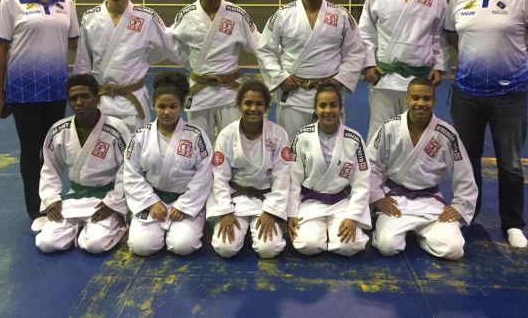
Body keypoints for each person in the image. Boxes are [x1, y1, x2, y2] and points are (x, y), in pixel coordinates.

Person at [445, 0, 528, 248]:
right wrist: (476, 62)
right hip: (467, 94)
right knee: (467, 160)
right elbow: (453, 37)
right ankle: (468, 213)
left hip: (510, 96)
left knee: (510, 162)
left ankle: (513, 223)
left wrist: (516, 66)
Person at [0, 0, 79, 232]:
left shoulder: (66, 2)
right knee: (31, 151)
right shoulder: (11, 1)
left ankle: (53, 200)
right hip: (24, 92)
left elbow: (76, 44)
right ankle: (36, 208)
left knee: (53, 150)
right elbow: (0, 49)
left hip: (56, 91)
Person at [367, 78, 478, 260]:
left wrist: (460, 205)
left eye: (426, 98)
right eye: (415, 98)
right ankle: (411, 231)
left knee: (454, 249)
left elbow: (463, 171)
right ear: (407, 99)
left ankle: (422, 237)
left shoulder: (446, 133)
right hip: (396, 200)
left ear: (434, 101)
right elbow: (372, 164)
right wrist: (377, 197)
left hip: (430, 202)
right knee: (387, 246)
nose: (421, 103)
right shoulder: (390, 127)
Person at [257, 0, 364, 140]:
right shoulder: (283, 15)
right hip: (294, 96)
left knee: (331, 147)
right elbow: (265, 50)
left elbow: (355, 51)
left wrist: (339, 80)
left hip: (329, 96)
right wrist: (280, 78)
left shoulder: (342, 15)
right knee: (292, 146)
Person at [359, 0, 448, 144]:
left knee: (416, 138)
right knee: (379, 138)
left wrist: (439, 65)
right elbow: (365, 33)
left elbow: (440, 33)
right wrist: (368, 65)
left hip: (420, 80)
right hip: (384, 79)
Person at [74, 0, 178, 133]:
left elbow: (168, 46)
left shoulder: (145, 17)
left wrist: (144, 57)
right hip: (101, 101)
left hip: (132, 100)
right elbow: (83, 61)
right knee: (101, 149)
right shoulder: (90, 18)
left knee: (135, 148)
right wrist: (81, 97)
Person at [35, 74, 130, 253]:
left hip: (105, 197)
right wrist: (52, 198)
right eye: (73, 98)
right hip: (75, 197)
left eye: (85, 96)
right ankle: (79, 227)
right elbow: (49, 167)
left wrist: (114, 201)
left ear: (97, 98)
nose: (79, 102)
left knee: (95, 245)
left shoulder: (116, 128)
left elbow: (129, 167)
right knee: (46, 243)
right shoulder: (59, 130)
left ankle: (117, 226)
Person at [123, 72, 213, 257]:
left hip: (185, 202)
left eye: (173, 106)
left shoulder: (196, 135)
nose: (167, 112)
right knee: (141, 247)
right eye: (161, 106)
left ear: (182, 106)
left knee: (183, 246)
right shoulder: (141, 136)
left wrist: (184, 205)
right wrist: (151, 201)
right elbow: (131, 173)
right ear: (153, 106)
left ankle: (187, 224)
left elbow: (204, 174)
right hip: (153, 201)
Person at [168, 0, 259, 142]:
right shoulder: (187, 14)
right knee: (198, 143)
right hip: (199, 90)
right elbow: (170, 45)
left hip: (230, 90)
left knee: (233, 142)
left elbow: (260, 45)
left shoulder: (237, 14)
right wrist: (192, 65)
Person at [207, 80, 291, 259]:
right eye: (248, 103)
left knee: (269, 249)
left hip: (266, 198)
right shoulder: (227, 135)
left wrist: (271, 211)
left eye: (259, 103)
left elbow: (282, 177)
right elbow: (219, 176)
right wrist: (225, 211)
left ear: (267, 107)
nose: (253, 108)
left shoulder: (278, 134)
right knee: (225, 248)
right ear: (239, 105)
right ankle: (242, 228)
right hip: (235, 198)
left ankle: (252, 228)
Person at [287, 84, 371, 257]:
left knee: (348, 247)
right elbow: (293, 178)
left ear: (340, 108)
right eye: (322, 105)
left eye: (333, 105)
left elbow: (362, 182)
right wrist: (291, 212)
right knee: (307, 245)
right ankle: (320, 234)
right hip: (310, 201)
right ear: (315, 109)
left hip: (342, 202)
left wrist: (353, 216)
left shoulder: (354, 139)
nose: (328, 111)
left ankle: (331, 233)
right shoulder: (302, 136)